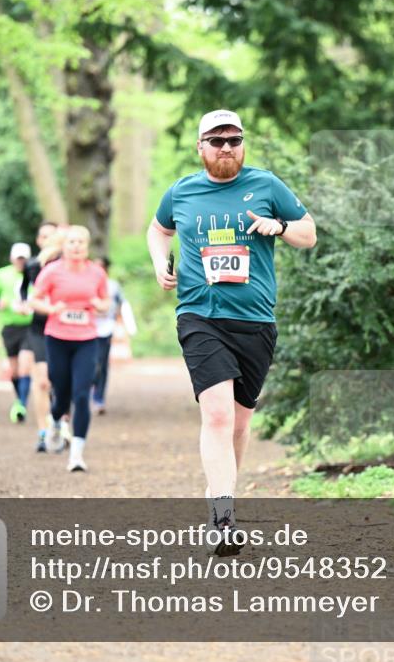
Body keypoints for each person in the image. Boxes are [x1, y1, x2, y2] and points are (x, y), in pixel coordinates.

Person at [147, 109, 316, 555]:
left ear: (243, 145)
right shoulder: (181, 191)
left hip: (256, 319)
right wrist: (158, 263)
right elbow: (157, 229)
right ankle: (222, 520)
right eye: (216, 140)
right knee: (218, 416)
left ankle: (223, 497)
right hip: (199, 316)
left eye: (234, 140)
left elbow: (309, 233)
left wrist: (279, 226)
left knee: (240, 422)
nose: (226, 148)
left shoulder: (266, 185)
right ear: (200, 146)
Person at [29, 225, 109, 472]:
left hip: (86, 339)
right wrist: (51, 309)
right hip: (57, 338)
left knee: (82, 394)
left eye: (81, 243)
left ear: (87, 247)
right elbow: (34, 299)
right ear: (64, 246)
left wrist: (99, 304)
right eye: (71, 242)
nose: (76, 246)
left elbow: (106, 301)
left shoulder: (96, 273)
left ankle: (76, 454)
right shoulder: (52, 272)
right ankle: (54, 422)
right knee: (61, 392)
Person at [20, 222, 72, 453]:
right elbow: (24, 291)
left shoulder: (73, 265)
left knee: (61, 381)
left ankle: (61, 424)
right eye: (44, 237)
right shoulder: (33, 265)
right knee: (41, 380)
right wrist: (27, 303)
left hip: (67, 328)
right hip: (40, 328)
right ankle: (43, 431)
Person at [0, 243, 33, 423]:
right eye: (18, 258)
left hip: (30, 327)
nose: (21, 262)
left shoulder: (35, 274)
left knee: (25, 366)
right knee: (14, 371)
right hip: (10, 327)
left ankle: (21, 403)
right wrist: (0, 302)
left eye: (24, 258)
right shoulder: (2, 274)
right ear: (12, 258)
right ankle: (18, 399)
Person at [91, 256, 134, 415]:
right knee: (90, 364)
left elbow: (121, 304)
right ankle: (85, 393)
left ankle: (98, 398)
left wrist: (123, 325)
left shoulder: (113, 285)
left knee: (101, 364)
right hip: (87, 328)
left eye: (101, 267)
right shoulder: (86, 282)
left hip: (105, 328)